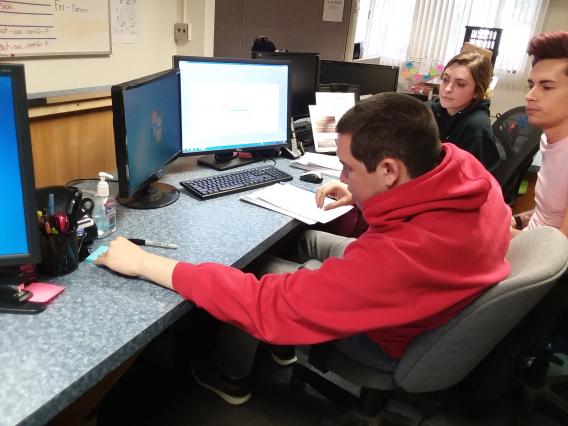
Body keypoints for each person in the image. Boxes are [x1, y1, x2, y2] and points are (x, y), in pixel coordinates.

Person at [96, 93, 512, 405]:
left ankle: (230, 376)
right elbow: (414, 204)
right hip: (426, 296)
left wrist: (145, 263)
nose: (343, 173)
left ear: (388, 170)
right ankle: (278, 347)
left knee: (258, 277)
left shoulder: (399, 259)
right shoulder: (464, 169)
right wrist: (363, 194)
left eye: (348, 166)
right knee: (303, 240)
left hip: (387, 338)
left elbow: (262, 303)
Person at [510, 31, 568, 238]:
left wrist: (499, 235)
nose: (530, 96)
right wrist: (516, 220)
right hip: (532, 243)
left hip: (543, 263)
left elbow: (559, 255)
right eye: (531, 85)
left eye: (547, 86)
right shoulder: (547, 140)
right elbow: (550, 214)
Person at [429, 51, 501, 173]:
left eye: (460, 84)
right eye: (445, 80)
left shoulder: (476, 129)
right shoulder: (428, 112)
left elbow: (469, 182)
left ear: (477, 92)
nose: (447, 89)